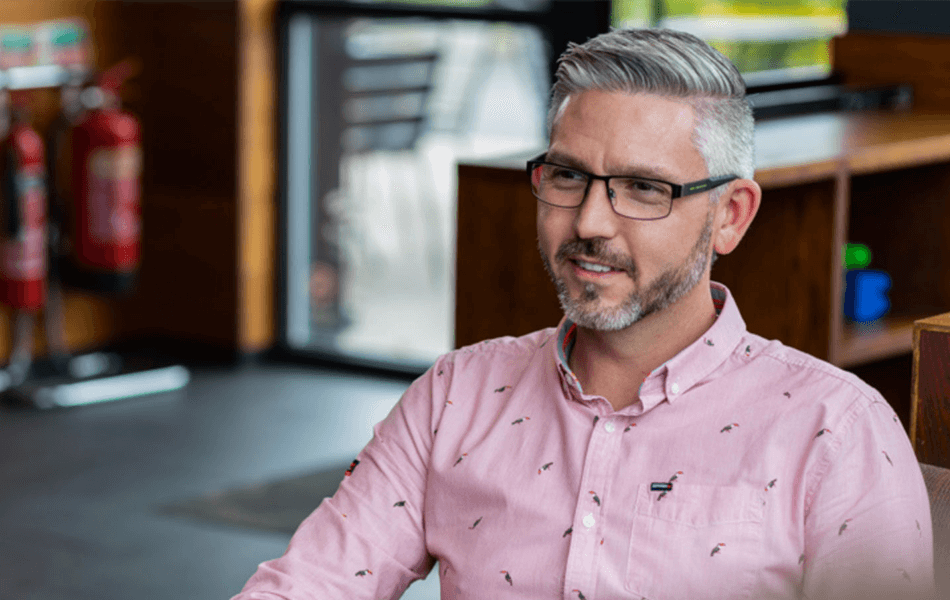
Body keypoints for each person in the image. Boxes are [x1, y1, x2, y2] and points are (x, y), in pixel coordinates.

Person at [233, 28, 934, 600]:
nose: (590, 221)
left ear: (730, 216)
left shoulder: (834, 431)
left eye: (643, 187)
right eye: (568, 176)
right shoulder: (456, 397)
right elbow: (308, 586)